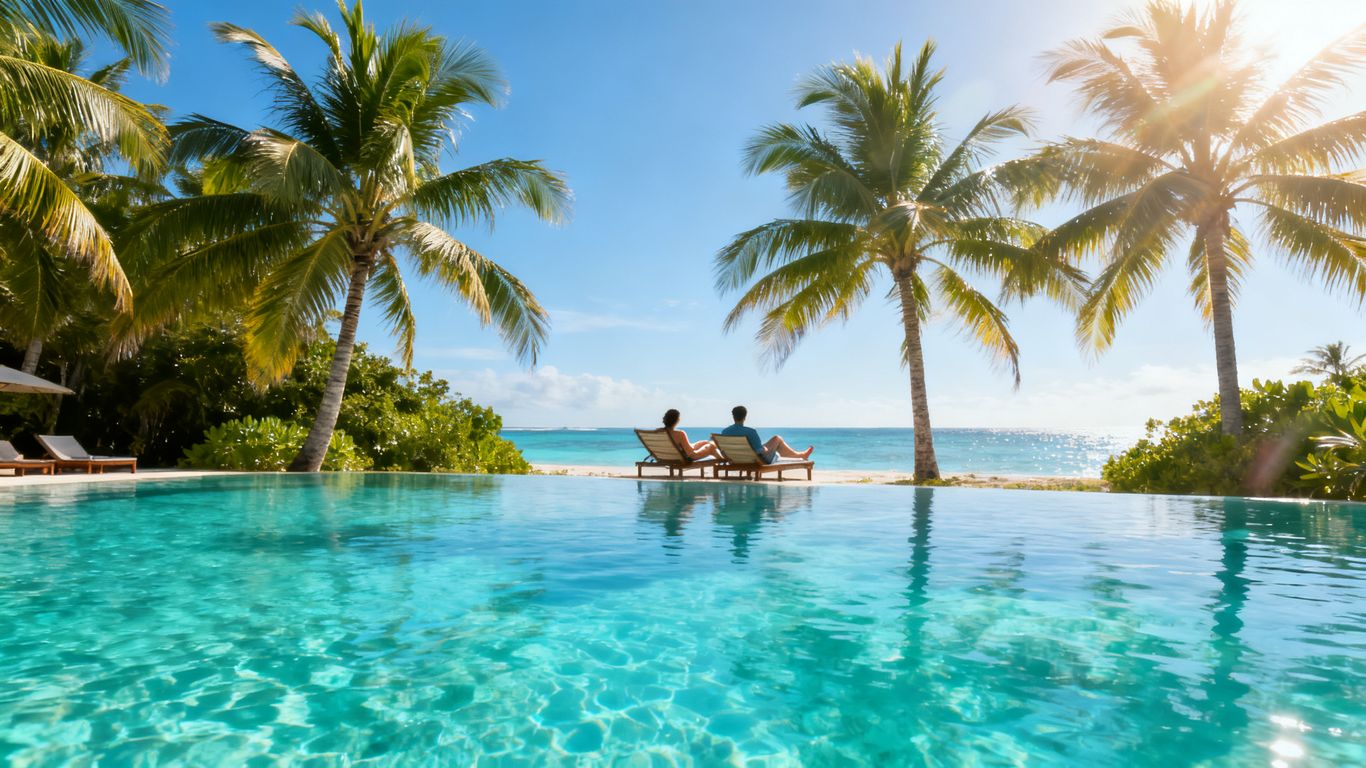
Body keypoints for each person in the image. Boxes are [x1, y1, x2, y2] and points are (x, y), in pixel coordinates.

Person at [720, 405, 813, 463]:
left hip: (735, 460)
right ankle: (800, 455)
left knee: (775, 440)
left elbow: (723, 452)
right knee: (777, 439)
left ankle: (800, 455)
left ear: (733, 416)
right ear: (745, 417)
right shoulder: (750, 432)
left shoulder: (725, 432)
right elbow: (761, 451)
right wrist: (766, 448)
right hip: (755, 461)